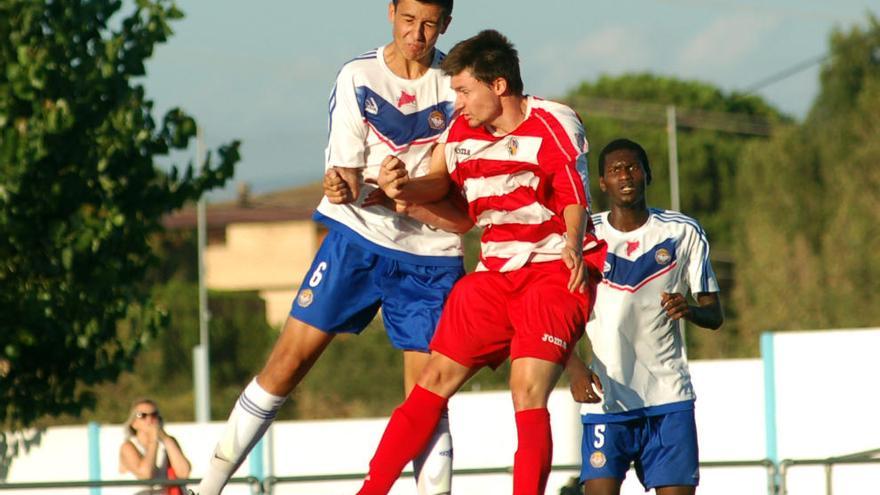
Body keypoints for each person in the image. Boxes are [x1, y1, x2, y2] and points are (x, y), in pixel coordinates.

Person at [193, 1, 470, 494]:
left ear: (446, 24)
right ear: (390, 13)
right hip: (356, 239)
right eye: (408, 20)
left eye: (429, 24)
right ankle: (207, 485)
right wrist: (343, 185)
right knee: (287, 363)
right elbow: (343, 169)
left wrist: (403, 188)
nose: (417, 33)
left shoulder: (455, 85)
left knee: (427, 395)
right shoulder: (357, 76)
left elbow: (450, 179)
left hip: (430, 254)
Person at [356, 29, 605, 495]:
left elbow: (574, 197)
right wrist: (402, 191)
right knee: (431, 381)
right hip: (494, 275)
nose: (458, 103)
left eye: (465, 91)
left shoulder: (555, 122)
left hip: (554, 270)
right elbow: (443, 195)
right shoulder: (459, 133)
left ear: (499, 86)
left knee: (526, 389)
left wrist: (572, 241)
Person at [566, 138, 724, 495]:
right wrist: (573, 366)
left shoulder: (683, 232)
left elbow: (715, 314)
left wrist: (691, 310)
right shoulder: (584, 237)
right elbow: (553, 318)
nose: (625, 176)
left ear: (648, 175)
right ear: (602, 182)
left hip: (668, 400)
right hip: (608, 401)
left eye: (633, 168)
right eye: (615, 170)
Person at [119, 399, 191, 495]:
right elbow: (146, 475)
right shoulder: (128, 446)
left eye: (154, 415)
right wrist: (153, 442)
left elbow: (184, 473)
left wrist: (165, 439)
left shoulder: (168, 442)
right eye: (142, 415)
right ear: (133, 423)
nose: (149, 419)